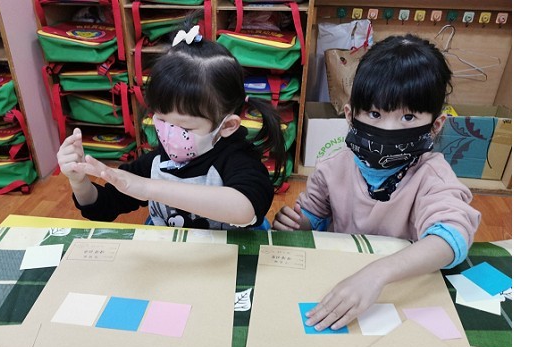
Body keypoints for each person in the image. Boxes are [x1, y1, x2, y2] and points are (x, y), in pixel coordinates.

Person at [273, 34, 481, 331]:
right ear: (350, 115)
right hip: (338, 279)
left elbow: (452, 238)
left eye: (408, 117)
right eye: (374, 114)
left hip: (398, 288)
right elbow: (313, 217)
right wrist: (298, 224)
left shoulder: (431, 175)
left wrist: (377, 273)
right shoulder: (333, 165)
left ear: (436, 126)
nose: (388, 128)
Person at [57, 20, 287, 230]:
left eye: (185, 128)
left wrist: (148, 187)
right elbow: (103, 207)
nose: (169, 134)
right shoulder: (158, 161)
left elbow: (246, 209)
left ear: (227, 126)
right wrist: (79, 181)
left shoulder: (238, 159)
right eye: (162, 119)